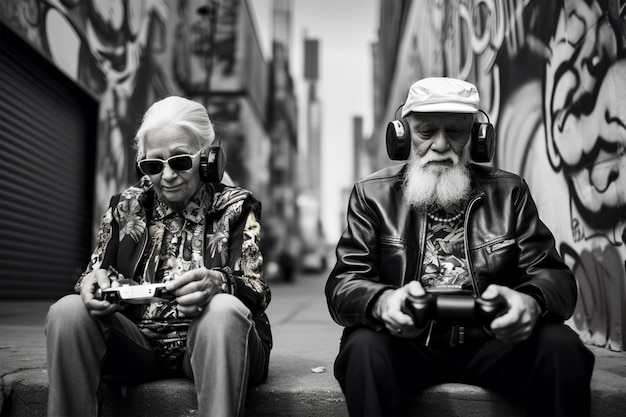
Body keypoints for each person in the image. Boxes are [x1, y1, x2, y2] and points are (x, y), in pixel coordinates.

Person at [325, 77, 595, 417]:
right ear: (403, 136)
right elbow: (344, 282)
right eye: (426, 133)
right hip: (407, 344)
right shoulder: (372, 195)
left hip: (493, 343)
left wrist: (531, 302)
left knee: (562, 345)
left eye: (455, 132)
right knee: (362, 347)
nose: (441, 145)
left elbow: (553, 277)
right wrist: (382, 302)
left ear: (477, 138)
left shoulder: (509, 192)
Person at [46, 96, 272, 417]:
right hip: (140, 347)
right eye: (153, 165)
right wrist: (93, 285)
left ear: (207, 157)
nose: (167, 176)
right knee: (67, 311)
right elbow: (93, 274)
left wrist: (218, 284)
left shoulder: (237, 206)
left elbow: (256, 288)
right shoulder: (126, 206)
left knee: (222, 310)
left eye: (180, 161)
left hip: (214, 344)